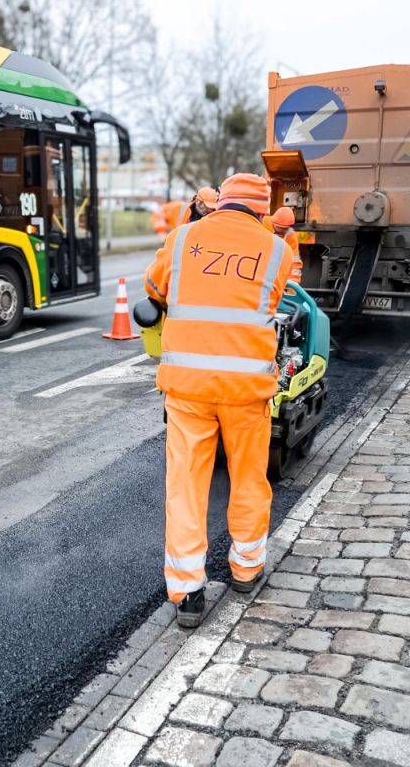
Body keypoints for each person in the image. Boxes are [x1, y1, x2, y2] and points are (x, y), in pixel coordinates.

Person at [144, 173, 293, 628]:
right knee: (249, 478)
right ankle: (246, 570)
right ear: (263, 210)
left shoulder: (183, 237)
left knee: (187, 485)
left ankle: (188, 592)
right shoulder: (278, 252)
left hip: (187, 388)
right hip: (245, 391)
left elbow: (154, 292)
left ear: (219, 202)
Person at [267, 207, 304, 284]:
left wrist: (293, 283)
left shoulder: (291, 236)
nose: (282, 232)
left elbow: (295, 262)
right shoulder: (263, 224)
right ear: (273, 223)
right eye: (280, 229)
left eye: (285, 229)